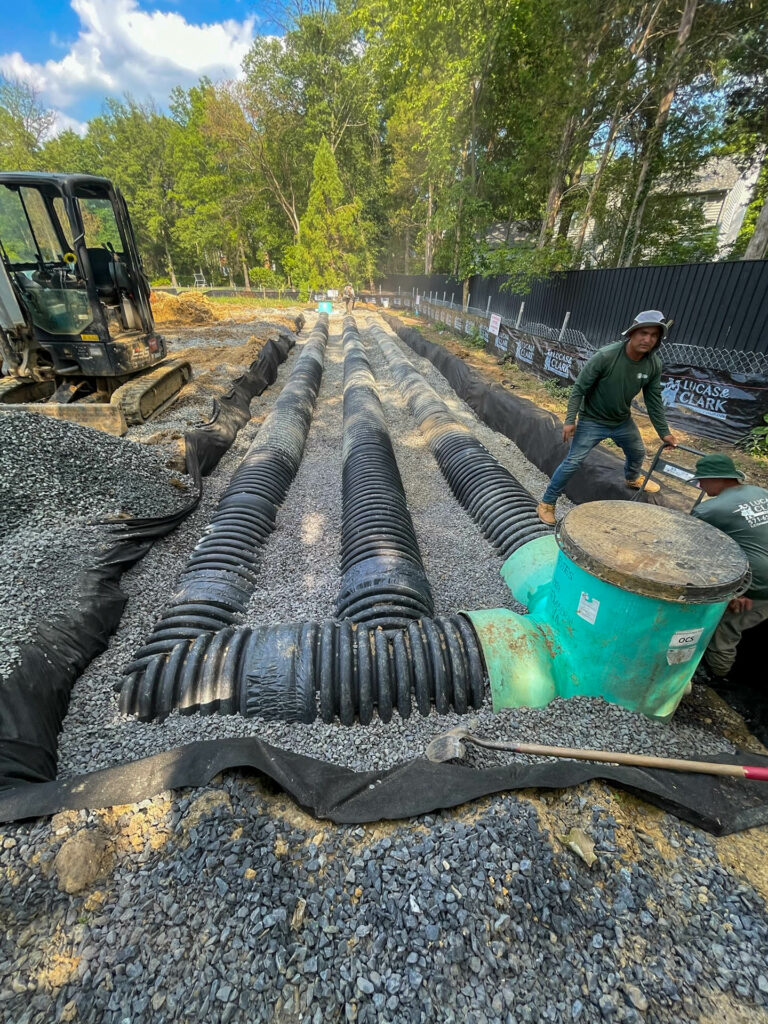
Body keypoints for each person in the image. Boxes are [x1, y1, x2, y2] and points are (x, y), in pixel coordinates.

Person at [536, 309, 678, 525]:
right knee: (573, 462)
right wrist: (569, 420)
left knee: (637, 451)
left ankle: (631, 478)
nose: (647, 339)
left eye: (654, 335)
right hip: (592, 420)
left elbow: (653, 400)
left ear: (658, 340)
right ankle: (547, 502)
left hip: (621, 420)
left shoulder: (653, 364)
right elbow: (579, 389)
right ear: (632, 333)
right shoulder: (606, 356)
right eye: (643, 333)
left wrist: (664, 432)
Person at [689, 454, 768, 681]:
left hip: (759, 587)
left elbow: (691, 550)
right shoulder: (761, 492)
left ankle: (717, 678)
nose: (701, 486)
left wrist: (736, 593)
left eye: (701, 481)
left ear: (717, 478)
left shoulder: (709, 510)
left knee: (724, 630)